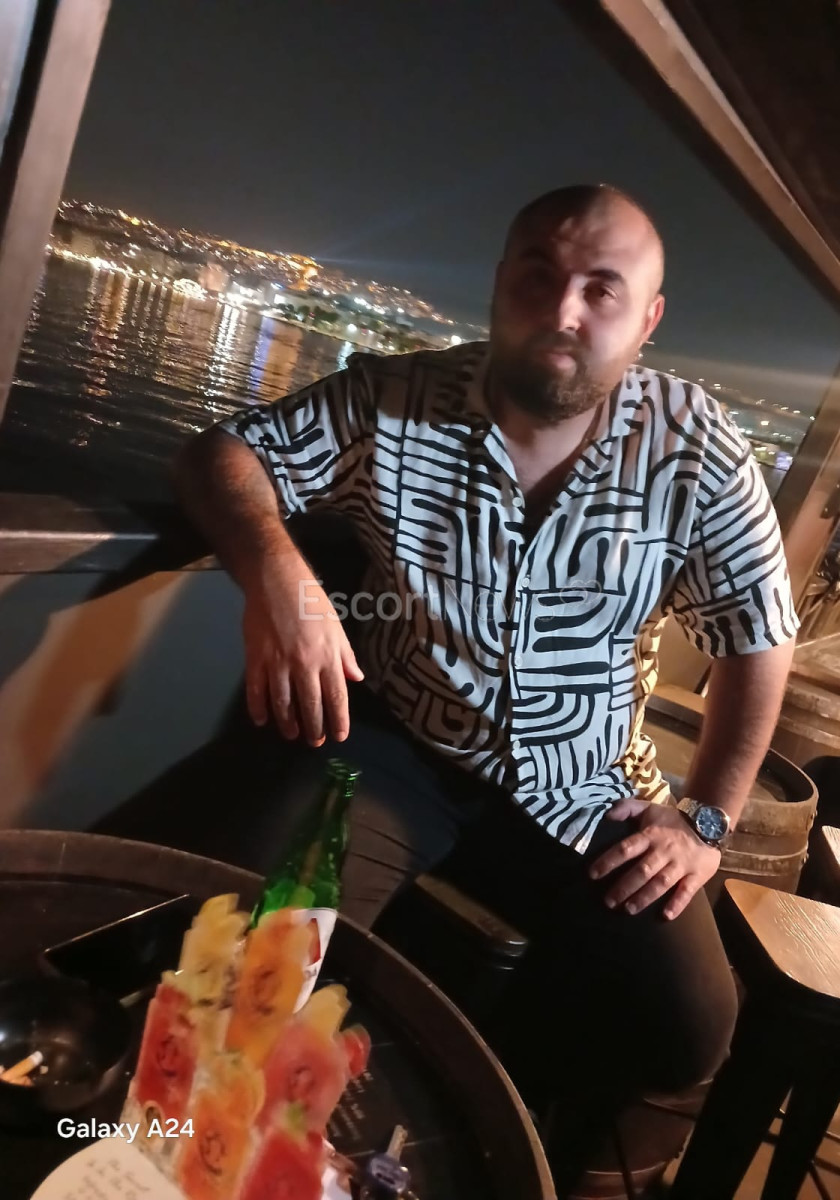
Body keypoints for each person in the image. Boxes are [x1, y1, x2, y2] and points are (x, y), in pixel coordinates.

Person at [172, 183, 798, 1191]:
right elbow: (223, 455)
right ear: (501, 282)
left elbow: (758, 640)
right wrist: (278, 574)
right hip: (397, 746)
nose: (563, 310)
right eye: (538, 275)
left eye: (601, 289)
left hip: (581, 781)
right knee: (255, 946)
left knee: (687, 1025)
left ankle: (471, 1115)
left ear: (647, 319)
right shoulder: (393, 398)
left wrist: (706, 820)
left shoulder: (698, 450)